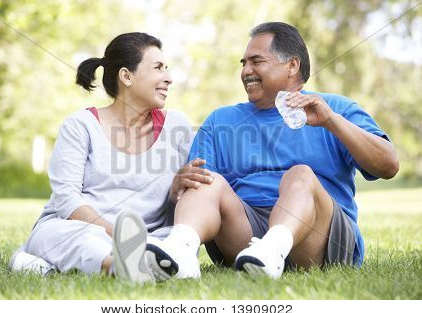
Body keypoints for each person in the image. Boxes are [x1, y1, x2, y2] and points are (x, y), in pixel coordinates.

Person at [145, 22, 399, 280]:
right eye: (243, 63)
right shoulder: (220, 120)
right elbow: (199, 196)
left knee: (300, 174)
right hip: (247, 237)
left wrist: (331, 121)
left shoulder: (334, 108)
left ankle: (274, 248)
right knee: (205, 180)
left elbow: (388, 165)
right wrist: (181, 188)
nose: (246, 71)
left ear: (292, 65)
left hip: (318, 237)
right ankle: (179, 253)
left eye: (256, 61)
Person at [9, 32, 214, 282]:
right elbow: (67, 200)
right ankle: (120, 266)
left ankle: (132, 261)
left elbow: (186, 201)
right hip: (80, 228)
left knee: (170, 241)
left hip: (151, 235)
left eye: (167, 68)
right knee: (64, 236)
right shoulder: (81, 125)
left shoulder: (177, 126)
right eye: (159, 67)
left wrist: (176, 191)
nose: (169, 78)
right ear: (126, 76)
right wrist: (118, 235)